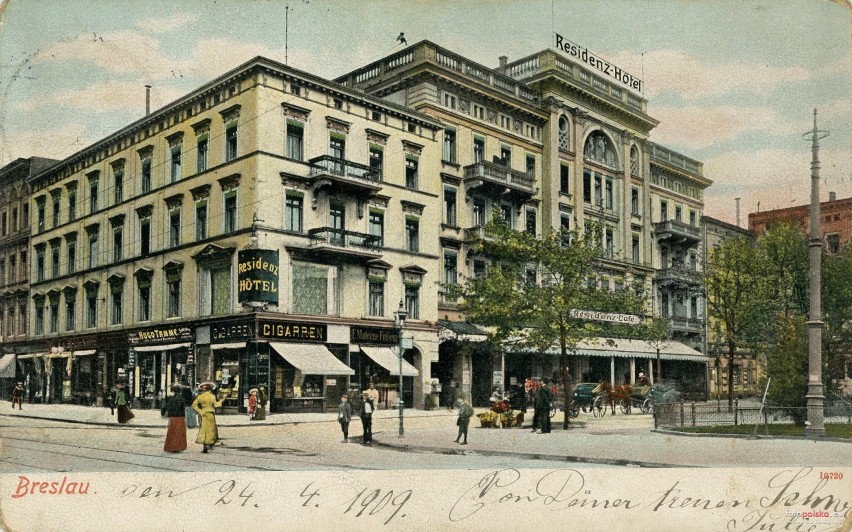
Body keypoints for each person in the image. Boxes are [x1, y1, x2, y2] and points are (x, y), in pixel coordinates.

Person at [192, 382, 223, 453]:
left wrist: (200, 411)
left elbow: (194, 405)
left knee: (203, 429)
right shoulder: (212, 396)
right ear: (210, 389)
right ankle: (210, 442)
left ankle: (204, 444)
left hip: (203, 414)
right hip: (211, 414)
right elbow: (216, 405)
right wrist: (221, 401)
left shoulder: (200, 397)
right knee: (211, 429)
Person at [162, 385, 187, 453]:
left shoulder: (171, 399)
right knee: (179, 433)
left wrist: (166, 414)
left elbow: (166, 407)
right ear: (180, 391)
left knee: (172, 432)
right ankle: (178, 447)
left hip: (173, 417)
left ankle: (171, 446)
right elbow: (183, 409)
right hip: (180, 417)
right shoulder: (182, 399)